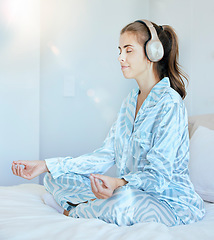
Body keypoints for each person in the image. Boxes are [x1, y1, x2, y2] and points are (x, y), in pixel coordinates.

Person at [11, 19, 205, 227]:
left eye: (128, 50)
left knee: (125, 200)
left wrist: (119, 184)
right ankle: (91, 205)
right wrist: (46, 166)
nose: (121, 58)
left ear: (153, 53)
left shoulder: (170, 103)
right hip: (128, 188)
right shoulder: (130, 102)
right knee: (56, 178)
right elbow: (106, 154)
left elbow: (159, 175)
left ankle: (72, 210)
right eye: (120, 50)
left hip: (168, 203)